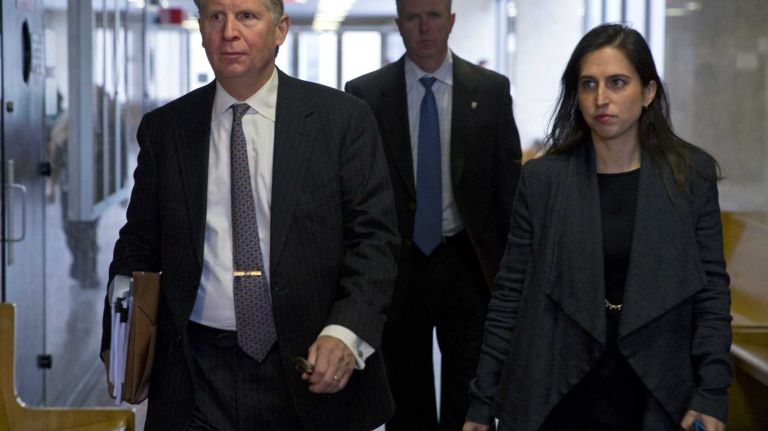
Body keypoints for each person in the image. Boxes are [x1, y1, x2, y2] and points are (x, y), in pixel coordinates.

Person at [100, 0, 400, 429]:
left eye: (247, 16)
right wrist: (120, 338)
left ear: (280, 30)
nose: (229, 32)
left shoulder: (342, 121)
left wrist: (345, 333)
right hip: (194, 371)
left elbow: (375, 241)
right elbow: (138, 247)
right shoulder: (166, 129)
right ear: (201, 29)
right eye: (215, 17)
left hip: (307, 363)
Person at [463, 24, 731, 431]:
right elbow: (509, 297)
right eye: (588, 84)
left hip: (655, 386)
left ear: (648, 92)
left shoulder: (690, 177)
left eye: (617, 83)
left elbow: (711, 292)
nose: (601, 99)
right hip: (559, 386)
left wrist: (712, 392)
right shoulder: (544, 181)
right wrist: (482, 403)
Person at [345, 0, 522, 429]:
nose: (424, 27)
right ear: (399, 24)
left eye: (434, 16)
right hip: (397, 266)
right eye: (413, 17)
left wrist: (512, 277)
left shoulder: (491, 90)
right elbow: (354, 193)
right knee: (405, 393)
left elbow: (508, 190)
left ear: (452, 21)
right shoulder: (365, 94)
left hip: (467, 263)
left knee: (472, 390)